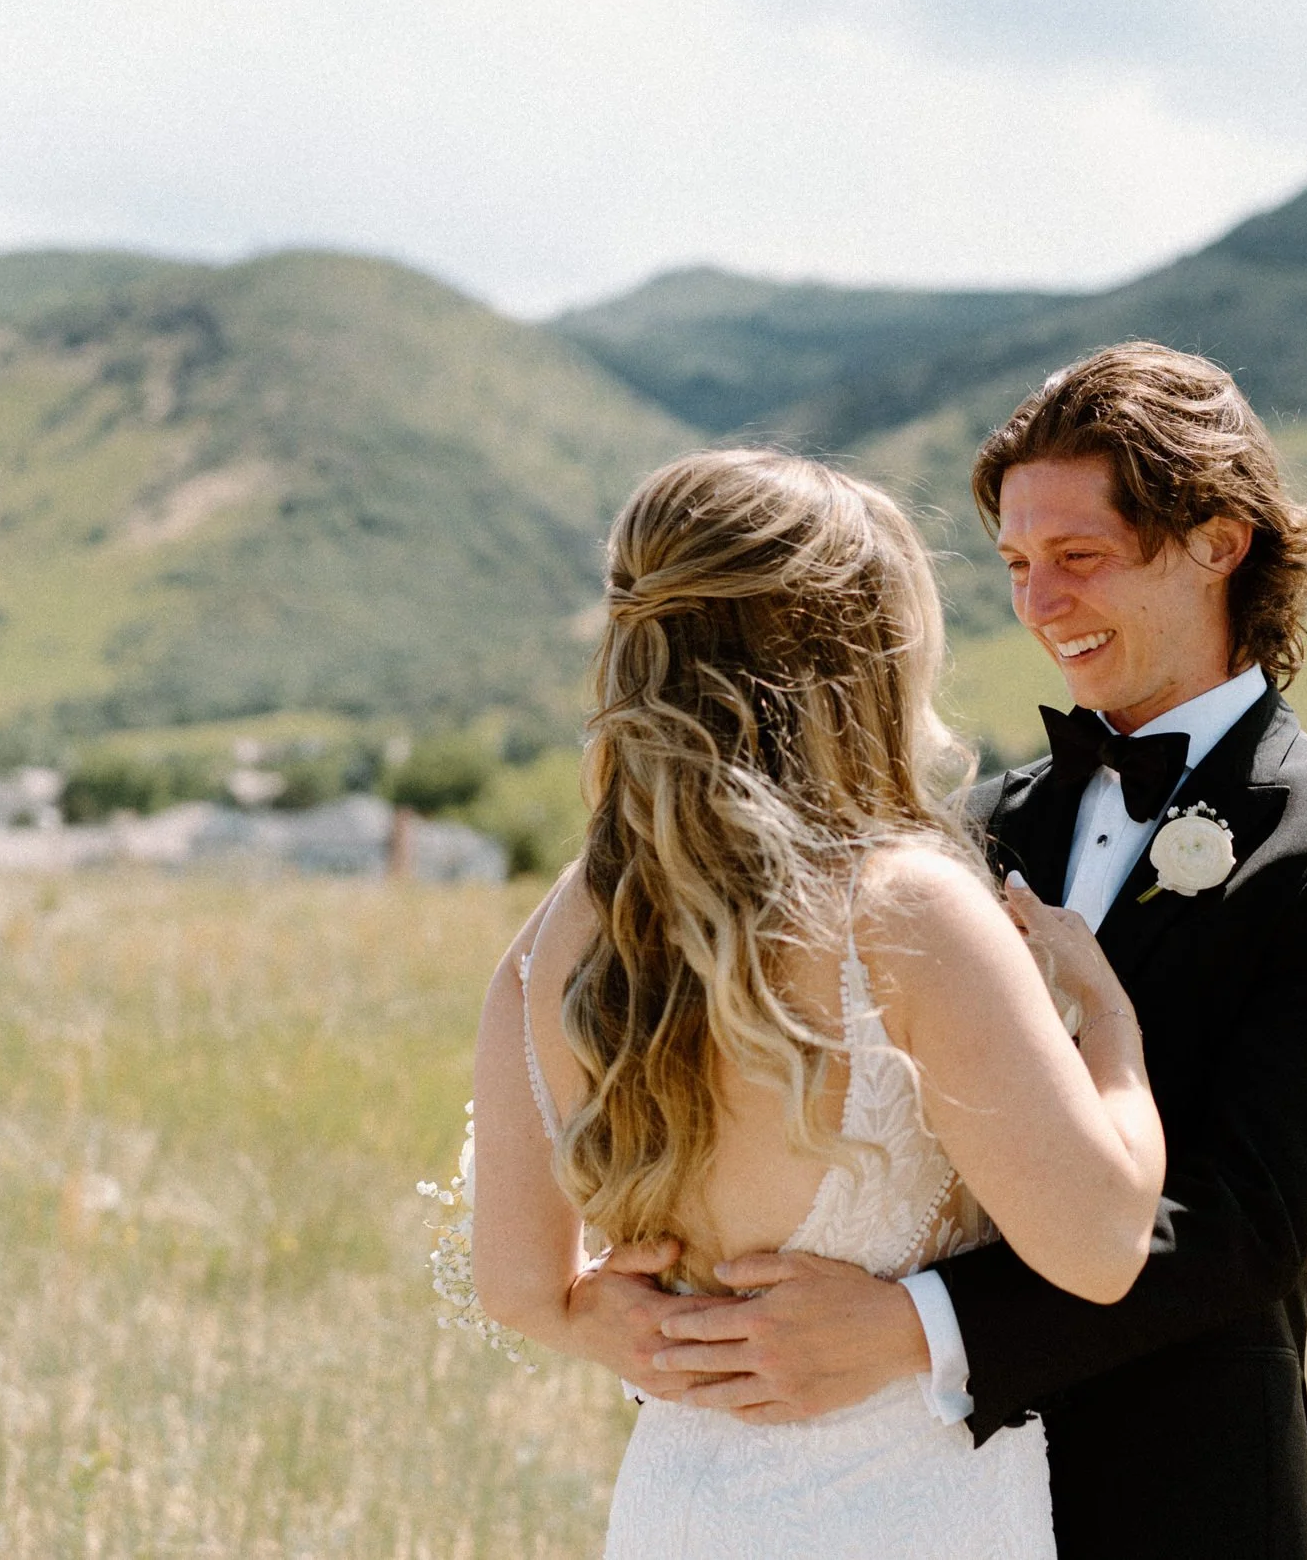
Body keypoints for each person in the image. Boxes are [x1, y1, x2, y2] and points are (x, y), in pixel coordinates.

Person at [638, 343, 1307, 1559]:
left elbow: (1242, 1224)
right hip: (901, 1487)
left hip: (1171, 1489)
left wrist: (911, 1328)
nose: (1038, 603)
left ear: (1219, 541)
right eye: (1018, 564)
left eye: (1079, 556)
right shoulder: (954, 833)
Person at [468, 446, 1168, 1558]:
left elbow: (517, 1285)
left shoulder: (565, 923)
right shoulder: (907, 910)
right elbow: (1103, 1244)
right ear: (854, 656)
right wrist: (1112, 1029)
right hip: (903, 1518)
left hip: (677, 1512)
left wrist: (636, 1329)